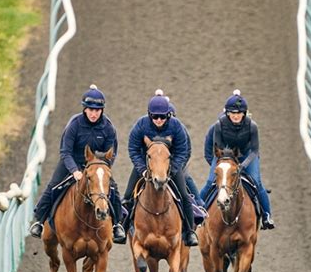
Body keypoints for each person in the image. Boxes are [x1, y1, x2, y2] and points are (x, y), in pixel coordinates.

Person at [29, 85, 126, 243]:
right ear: (85, 109)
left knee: (112, 189)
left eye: (97, 110)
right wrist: (74, 170)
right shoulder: (74, 125)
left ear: (102, 110)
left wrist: (102, 168)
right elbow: (65, 152)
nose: (94, 113)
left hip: (95, 165)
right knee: (53, 186)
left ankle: (117, 225)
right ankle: (39, 221)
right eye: (90, 110)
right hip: (71, 162)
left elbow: (110, 154)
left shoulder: (108, 128)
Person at [122, 93, 199, 247]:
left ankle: (190, 232)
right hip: (146, 165)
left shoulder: (176, 126)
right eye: (155, 117)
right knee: (128, 195)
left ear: (168, 115)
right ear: (150, 115)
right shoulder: (141, 125)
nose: (159, 120)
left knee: (184, 196)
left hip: (169, 166)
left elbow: (183, 150)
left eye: (162, 117)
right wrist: (143, 169)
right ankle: (121, 228)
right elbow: (133, 149)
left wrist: (172, 169)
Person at [199, 90, 275, 229]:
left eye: (238, 113)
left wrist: (242, 166)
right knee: (211, 182)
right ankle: (197, 212)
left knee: (257, 183)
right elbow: (218, 148)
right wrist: (225, 167)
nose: (235, 116)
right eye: (232, 113)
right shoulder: (219, 125)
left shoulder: (252, 126)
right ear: (227, 113)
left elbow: (254, 150)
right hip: (225, 156)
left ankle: (267, 216)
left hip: (247, 156)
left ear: (244, 113)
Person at [154, 89, 204, 208]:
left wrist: (177, 166)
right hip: (155, 165)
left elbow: (187, 150)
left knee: (186, 178)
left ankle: (199, 204)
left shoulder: (179, 128)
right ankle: (127, 214)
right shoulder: (149, 127)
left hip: (176, 165)